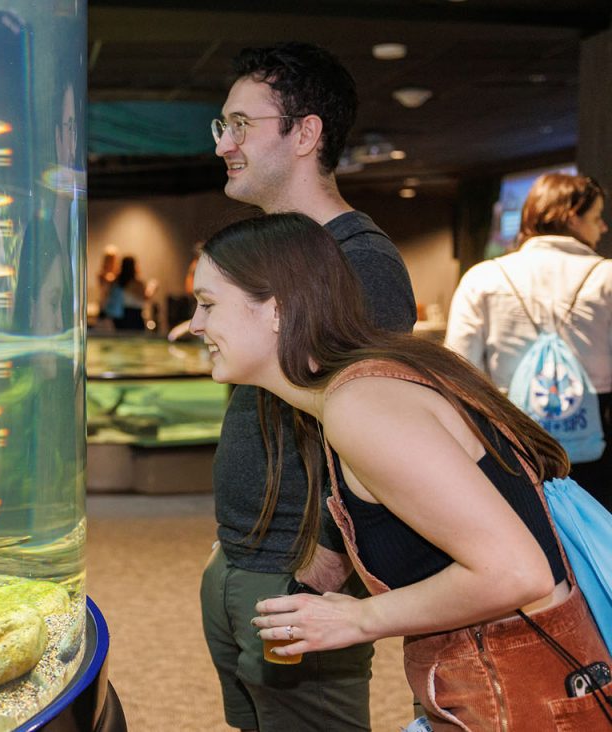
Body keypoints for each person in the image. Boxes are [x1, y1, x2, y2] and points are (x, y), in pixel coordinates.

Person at [192, 211, 612, 730]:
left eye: (208, 304)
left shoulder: (360, 406)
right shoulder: (373, 381)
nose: (195, 324)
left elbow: (516, 572)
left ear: (276, 309)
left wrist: (358, 617)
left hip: (519, 695)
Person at [200, 42, 416, 732]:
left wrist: (325, 561)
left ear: (307, 132)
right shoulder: (282, 258)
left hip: (298, 570)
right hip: (244, 557)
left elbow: (381, 430)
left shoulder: (359, 263)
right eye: (221, 126)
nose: (224, 145)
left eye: (241, 125)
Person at [446, 173, 612, 508]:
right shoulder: (607, 276)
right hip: (599, 437)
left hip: (509, 438)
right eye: (597, 218)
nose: (603, 228)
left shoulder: (483, 277)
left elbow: (458, 369)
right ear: (571, 217)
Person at [103, 256, 155, 330]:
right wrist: (152, 287)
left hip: (119, 316)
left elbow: (107, 296)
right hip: (134, 315)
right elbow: (145, 297)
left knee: (120, 338)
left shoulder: (116, 282)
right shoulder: (137, 283)